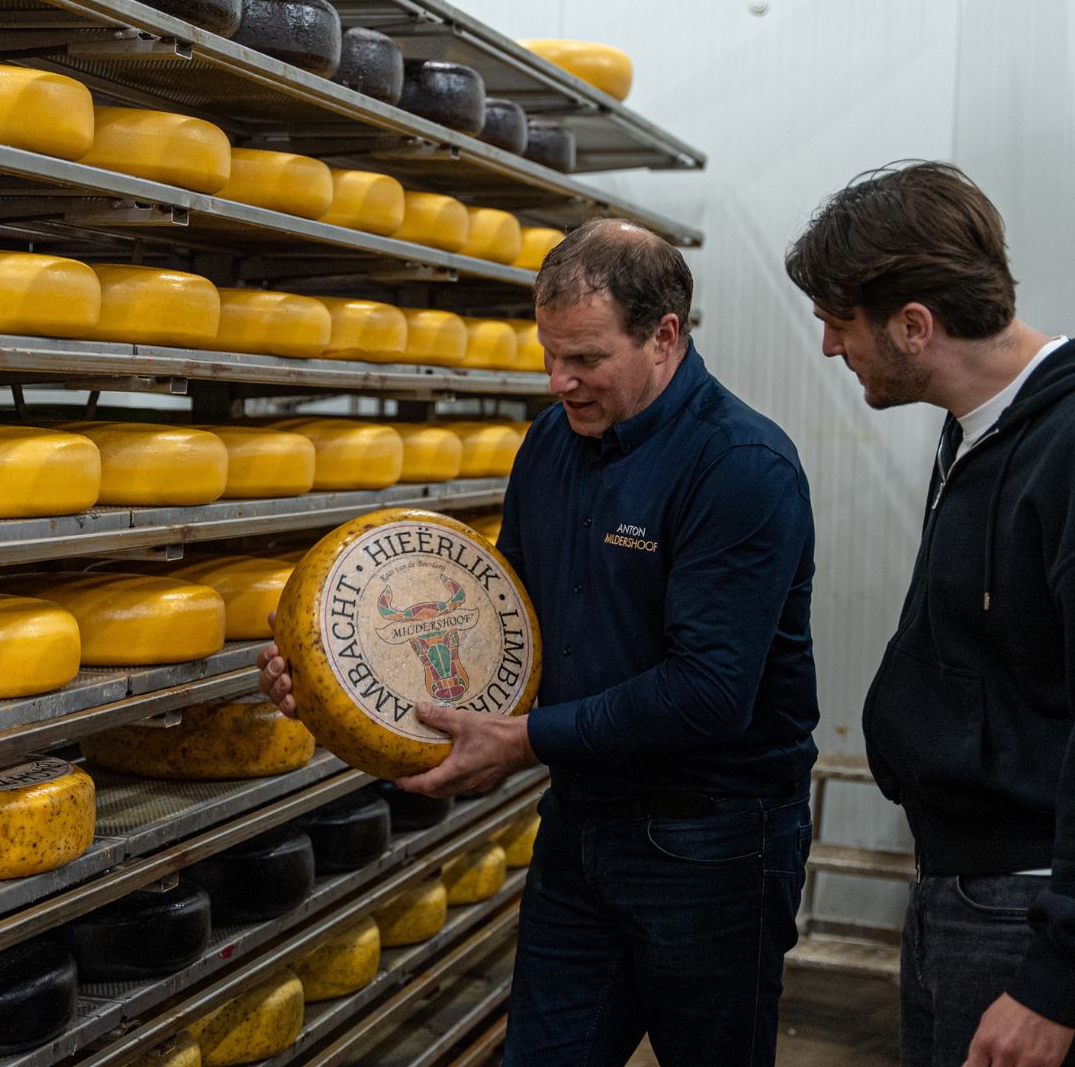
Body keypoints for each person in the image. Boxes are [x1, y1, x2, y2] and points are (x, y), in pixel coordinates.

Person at [259, 218, 819, 1066]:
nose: (560, 381)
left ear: (664, 336)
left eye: (586, 358)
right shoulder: (552, 442)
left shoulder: (741, 467)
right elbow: (493, 627)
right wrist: (336, 676)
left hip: (711, 845)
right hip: (580, 825)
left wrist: (523, 741)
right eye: (549, 352)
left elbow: (708, 692)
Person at [785, 161, 1075, 1067]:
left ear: (915, 326)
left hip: (1024, 908)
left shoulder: (1065, 450)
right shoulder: (975, 427)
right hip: (960, 885)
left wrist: (1055, 978)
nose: (832, 348)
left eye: (840, 324)